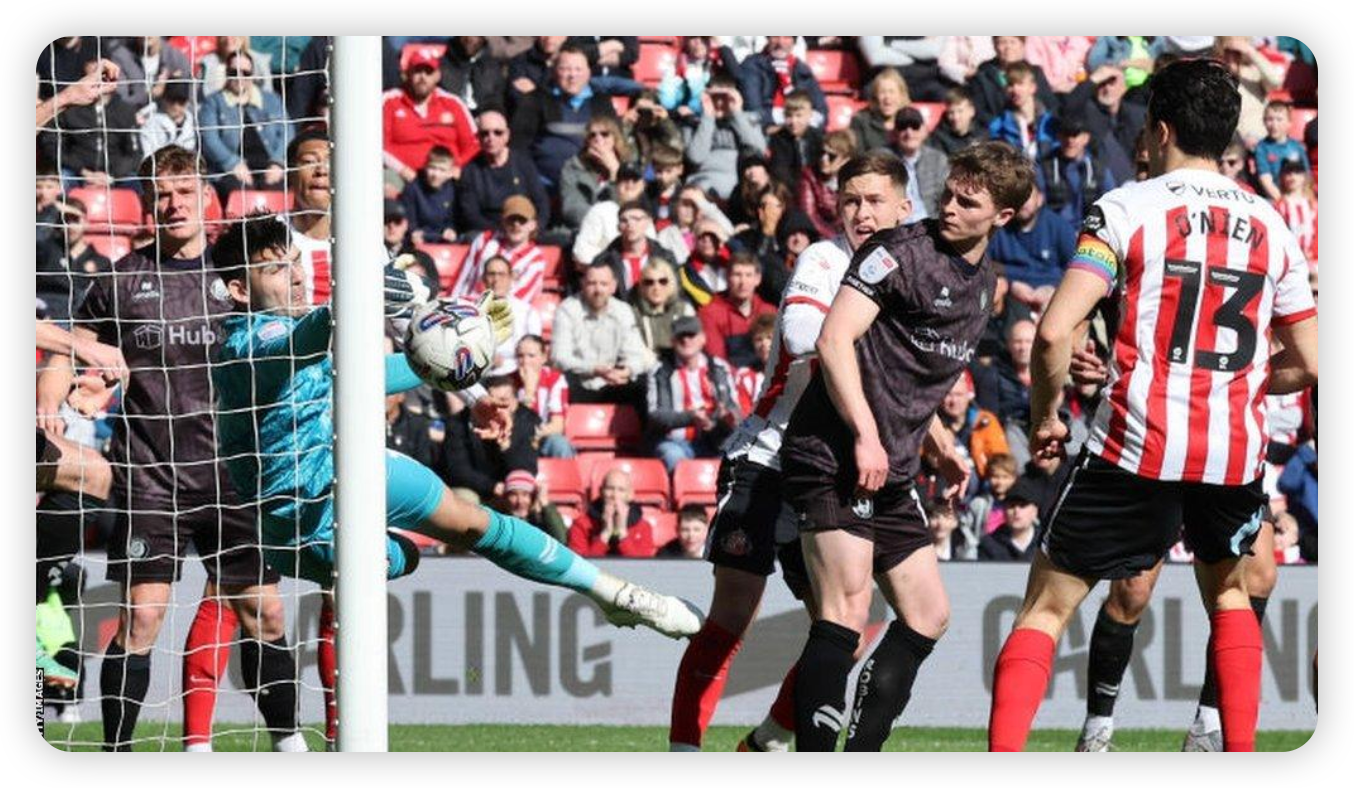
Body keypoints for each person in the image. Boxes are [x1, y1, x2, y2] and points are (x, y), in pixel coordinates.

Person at [987, 59, 1318, 754]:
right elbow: (1312, 362)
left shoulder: (1127, 207)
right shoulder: (1273, 226)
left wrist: (1047, 415)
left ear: (1159, 130)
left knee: (1048, 607)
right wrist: (1248, 384)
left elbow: (1052, 330)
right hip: (1230, 452)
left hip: (1136, 442)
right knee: (1231, 601)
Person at [210, 215, 703, 649]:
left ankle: (611, 593)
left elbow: (369, 371)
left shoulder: (302, 339)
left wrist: (471, 344)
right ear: (237, 289)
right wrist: (354, 296)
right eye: (276, 270)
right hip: (302, 522)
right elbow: (303, 338)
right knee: (402, 559)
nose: (296, 278)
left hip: (350, 469)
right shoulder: (245, 348)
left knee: (476, 524)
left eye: (296, 262)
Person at [35, 146, 304, 752]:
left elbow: (287, 324)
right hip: (151, 475)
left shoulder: (237, 272)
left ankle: (290, 742)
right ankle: (118, 746)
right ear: (152, 203)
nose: (173, 202)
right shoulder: (123, 278)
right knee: (143, 620)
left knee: (267, 616)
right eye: (162, 193)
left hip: (233, 472)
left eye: (184, 191)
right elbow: (69, 348)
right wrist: (55, 401)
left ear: (206, 196)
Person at [781, 141, 1031, 752]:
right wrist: (865, 434)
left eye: (966, 201)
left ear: (1000, 217)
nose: (947, 206)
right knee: (845, 609)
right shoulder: (897, 254)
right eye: (947, 192)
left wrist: (940, 445)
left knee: (927, 615)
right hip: (833, 451)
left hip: (889, 467)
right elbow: (835, 342)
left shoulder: (985, 283)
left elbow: (916, 375)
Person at [668, 152, 920, 752]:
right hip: (769, 456)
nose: (862, 212)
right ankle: (683, 746)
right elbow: (810, 339)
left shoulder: (910, 276)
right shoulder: (824, 259)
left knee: (849, 628)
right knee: (734, 616)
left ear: (904, 208)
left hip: (832, 470)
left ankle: (766, 740)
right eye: (851, 200)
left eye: (875, 200)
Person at [646, 317, 741, 473]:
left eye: (691, 335)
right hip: (675, 441)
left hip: (715, 440)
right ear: (672, 340)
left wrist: (727, 416)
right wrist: (690, 418)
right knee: (674, 457)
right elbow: (656, 414)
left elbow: (734, 407)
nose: (686, 340)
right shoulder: (660, 371)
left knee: (733, 462)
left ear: (703, 338)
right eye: (681, 337)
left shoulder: (719, 368)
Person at [550, 261, 654, 404]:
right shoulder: (567, 309)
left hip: (613, 382)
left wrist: (627, 370)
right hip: (578, 382)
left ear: (613, 286)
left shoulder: (623, 311)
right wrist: (594, 369)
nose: (598, 290)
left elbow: (636, 353)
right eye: (592, 283)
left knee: (643, 386)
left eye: (603, 284)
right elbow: (559, 357)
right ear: (582, 284)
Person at [381, 48, 479, 193]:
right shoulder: (389, 102)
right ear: (407, 74)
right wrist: (401, 169)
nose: (423, 77)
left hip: (447, 177)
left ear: (438, 76)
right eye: (417, 71)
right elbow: (377, 146)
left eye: (428, 72)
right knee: (386, 184)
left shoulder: (452, 103)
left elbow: (474, 143)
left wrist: (456, 166)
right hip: (403, 177)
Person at [198, 51, 290, 199]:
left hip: (269, 166)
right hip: (230, 171)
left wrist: (278, 163)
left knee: (279, 196)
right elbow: (209, 138)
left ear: (252, 75)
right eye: (234, 72)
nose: (239, 78)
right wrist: (232, 164)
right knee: (240, 197)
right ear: (227, 73)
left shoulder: (272, 100)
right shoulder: (213, 102)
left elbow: (288, 132)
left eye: (245, 73)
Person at [442, 375, 539, 502]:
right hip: (474, 489)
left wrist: (506, 448)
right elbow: (458, 470)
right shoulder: (458, 423)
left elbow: (528, 469)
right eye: (492, 400)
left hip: (512, 491)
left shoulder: (526, 422)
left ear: (515, 403)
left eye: (503, 401)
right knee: (466, 499)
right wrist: (492, 486)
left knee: (528, 497)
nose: (496, 408)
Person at [457, 109, 551, 232]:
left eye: (498, 132)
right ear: (478, 137)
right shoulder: (470, 171)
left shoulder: (523, 164)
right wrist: (503, 232)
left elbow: (542, 203)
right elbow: (471, 215)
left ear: (507, 135)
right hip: (489, 233)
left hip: (524, 230)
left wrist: (535, 227)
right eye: (485, 133)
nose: (491, 138)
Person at [683, 75, 768, 200]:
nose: (719, 103)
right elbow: (696, 157)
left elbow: (759, 150)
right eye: (714, 97)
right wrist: (708, 118)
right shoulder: (694, 124)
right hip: (701, 184)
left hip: (738, 187)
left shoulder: (748, 119)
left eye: (724, 97)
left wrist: (736, 113)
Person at [450, 196, 548, 303]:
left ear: (533, 225)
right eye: (511, 220)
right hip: (468, 307)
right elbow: (463, 278)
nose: (516, 225)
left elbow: (519, 299)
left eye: (522, 220)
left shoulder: (535, 259)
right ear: (503, 222)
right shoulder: (484, 240)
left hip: (507, 314)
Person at [698, 253, 776, 368]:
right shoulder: (709, 313)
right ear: (727, 277)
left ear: (758, 279)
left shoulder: (770, 311)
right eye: (737, 275)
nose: (742, 282)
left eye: (748, 275)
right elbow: (717, 361)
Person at [566, 468, 656, 557]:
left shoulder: (643, 527)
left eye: (621, 490)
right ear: (601, 492)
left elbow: (643, 567)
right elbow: (579, 567)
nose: (614, 495)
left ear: (630, 495)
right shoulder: (581, 525)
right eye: (609, 489)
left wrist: (623, 534)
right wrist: (604, 536)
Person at [511, 335, 575, 459]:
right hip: (516, 440)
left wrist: (534, 435)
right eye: (520, 356)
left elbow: (557, 425)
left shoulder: (555, 379)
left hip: (545, 436)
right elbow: (516, 426)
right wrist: (529, 392)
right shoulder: (509, 381)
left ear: (543, 357)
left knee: (560, 444)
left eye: (531, 356)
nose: (525, 362)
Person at [630, 258, 697, 355]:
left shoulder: (685, 311)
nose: (656, 287)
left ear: (671, 283)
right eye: (649, 282)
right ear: (642, 286)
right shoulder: (632, 315)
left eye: (662, 281)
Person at [400, 145, 458, 245]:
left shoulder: (453, 189)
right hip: (418, 240)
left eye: (442, 170)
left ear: (449, 173)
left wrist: (451, 229)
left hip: (443, 240)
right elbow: (410, 223)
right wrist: (414, 233)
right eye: (432, 168)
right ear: (425, 167)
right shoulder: (413, 188)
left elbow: (453, 219)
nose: (435, 174)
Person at [848, 68, 911, 153]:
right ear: (875, 97)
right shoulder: (860, 121)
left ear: (901, 96)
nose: (887, 97)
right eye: (882, 92)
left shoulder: (911, 120)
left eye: (891, 92)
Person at [497, 469, 567, 544]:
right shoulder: (500, 517)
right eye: (513, 495)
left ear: (533, 497)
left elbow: (561, 540)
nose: (520, 501)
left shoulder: (542, 518)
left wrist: (544, 502)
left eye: (525, 495)